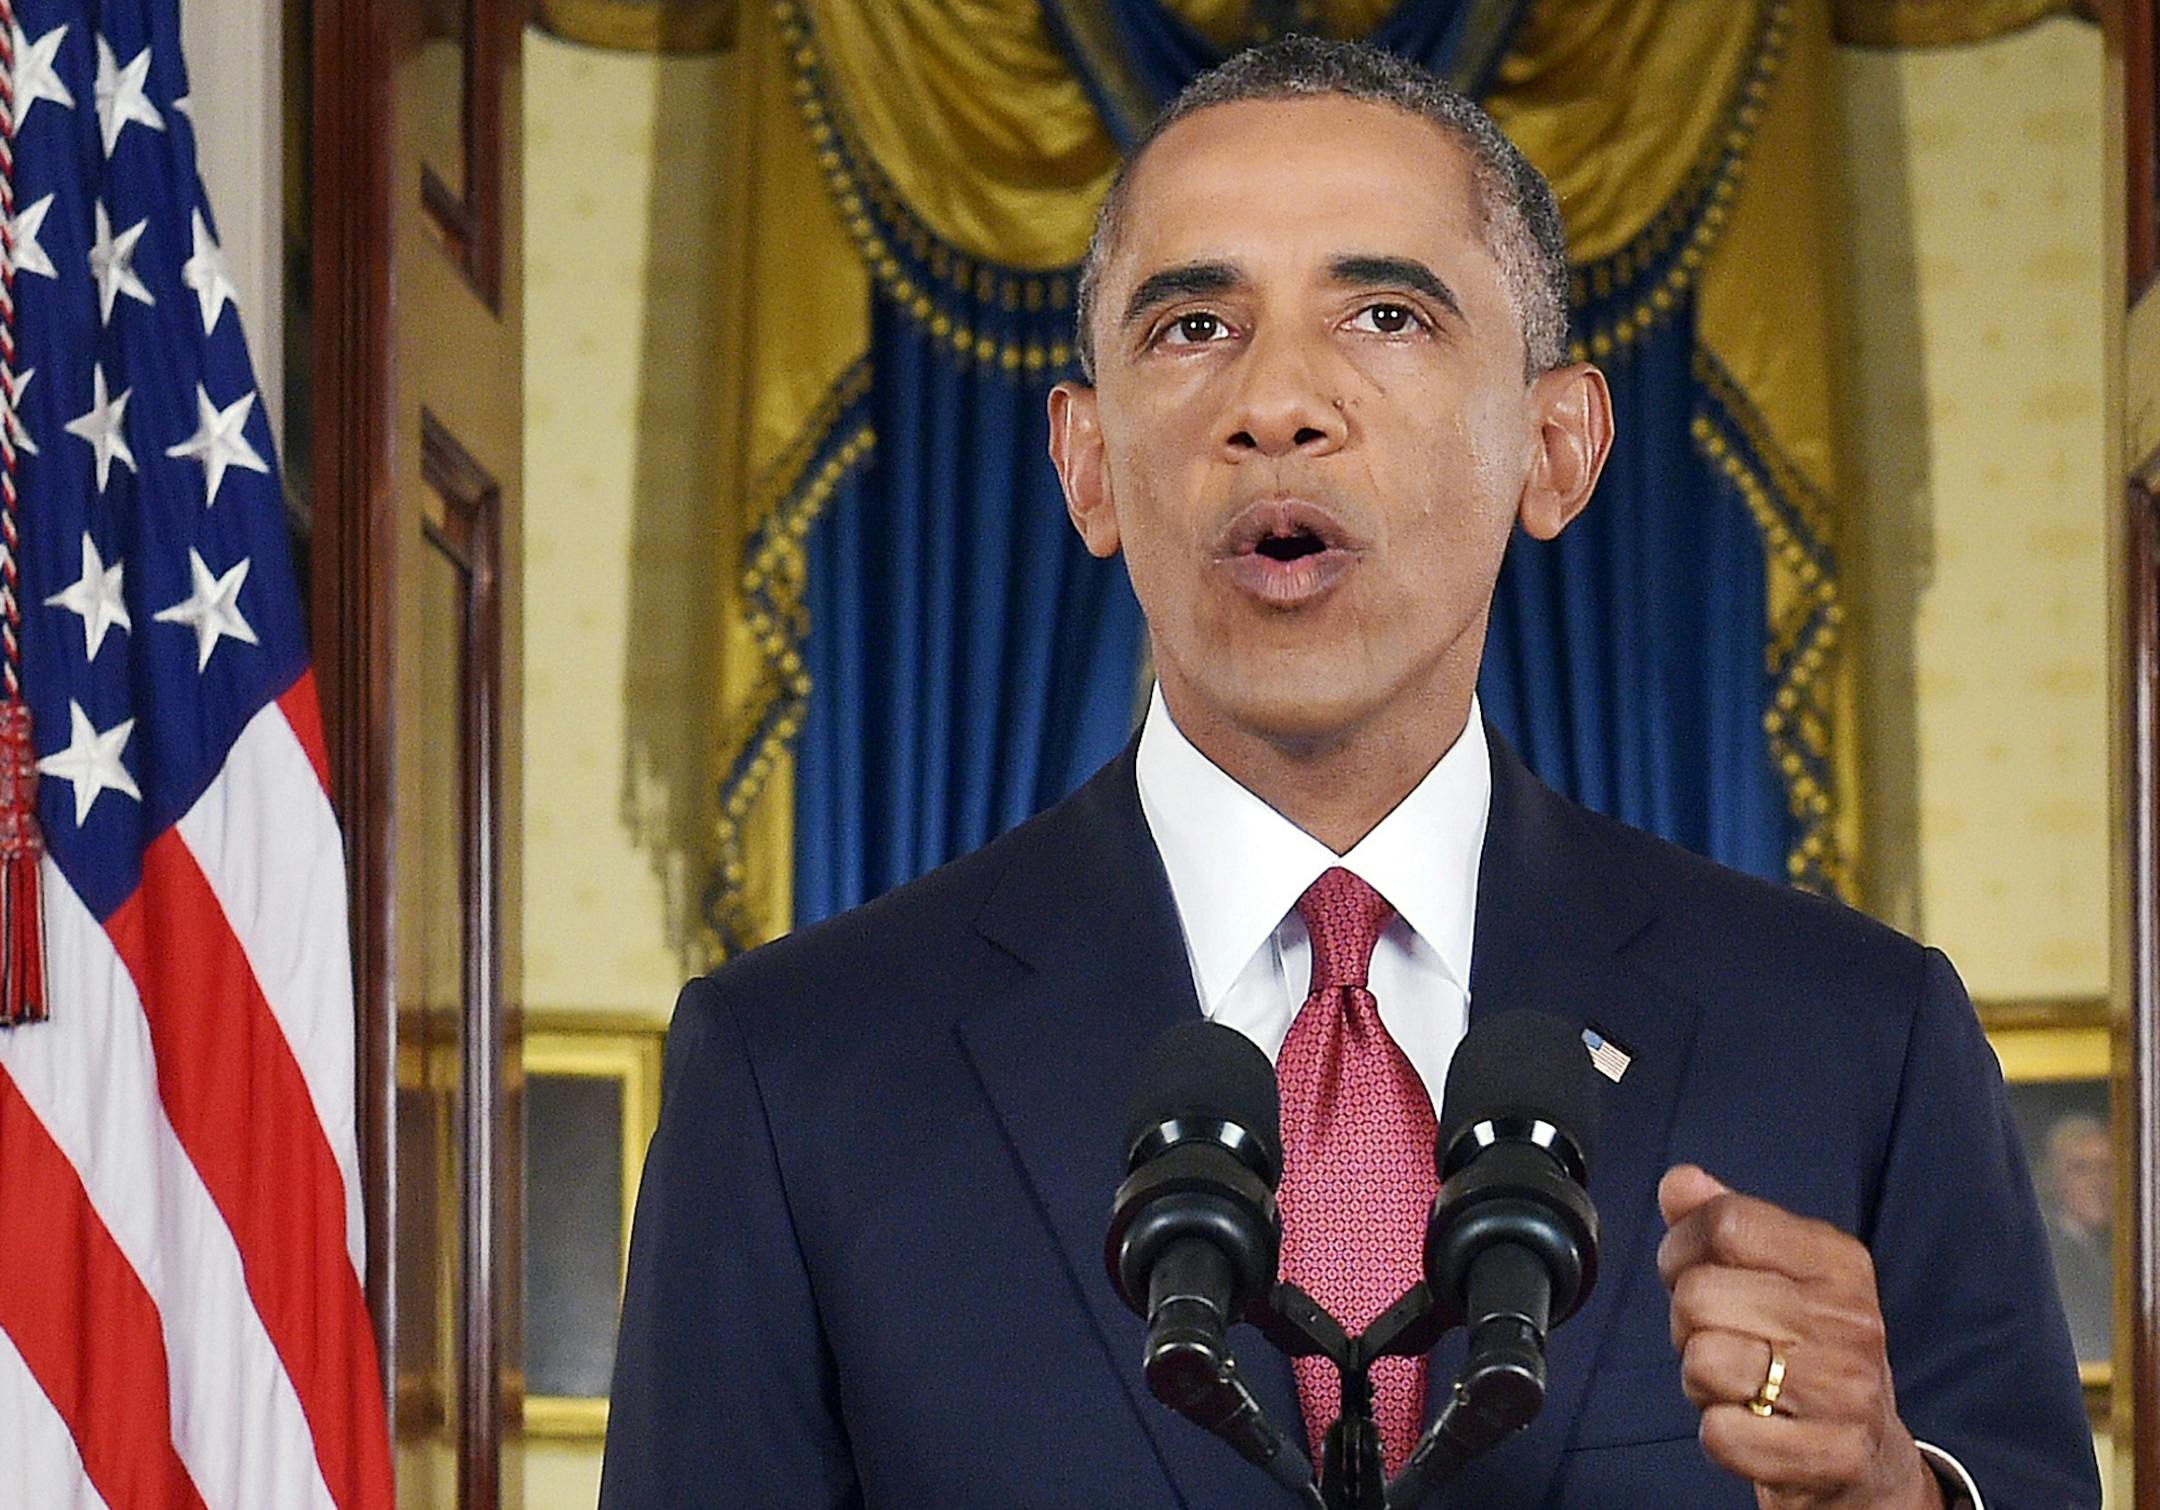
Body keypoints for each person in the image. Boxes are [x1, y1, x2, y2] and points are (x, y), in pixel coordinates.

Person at [601, 38, 2097, 1509]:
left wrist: (1901, 1497)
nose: (1278, 404)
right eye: (1195, 328)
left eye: (1385, 313)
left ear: (1556, 447)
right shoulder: (793, 1073)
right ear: (1089, 467)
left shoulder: (1859, 1042)